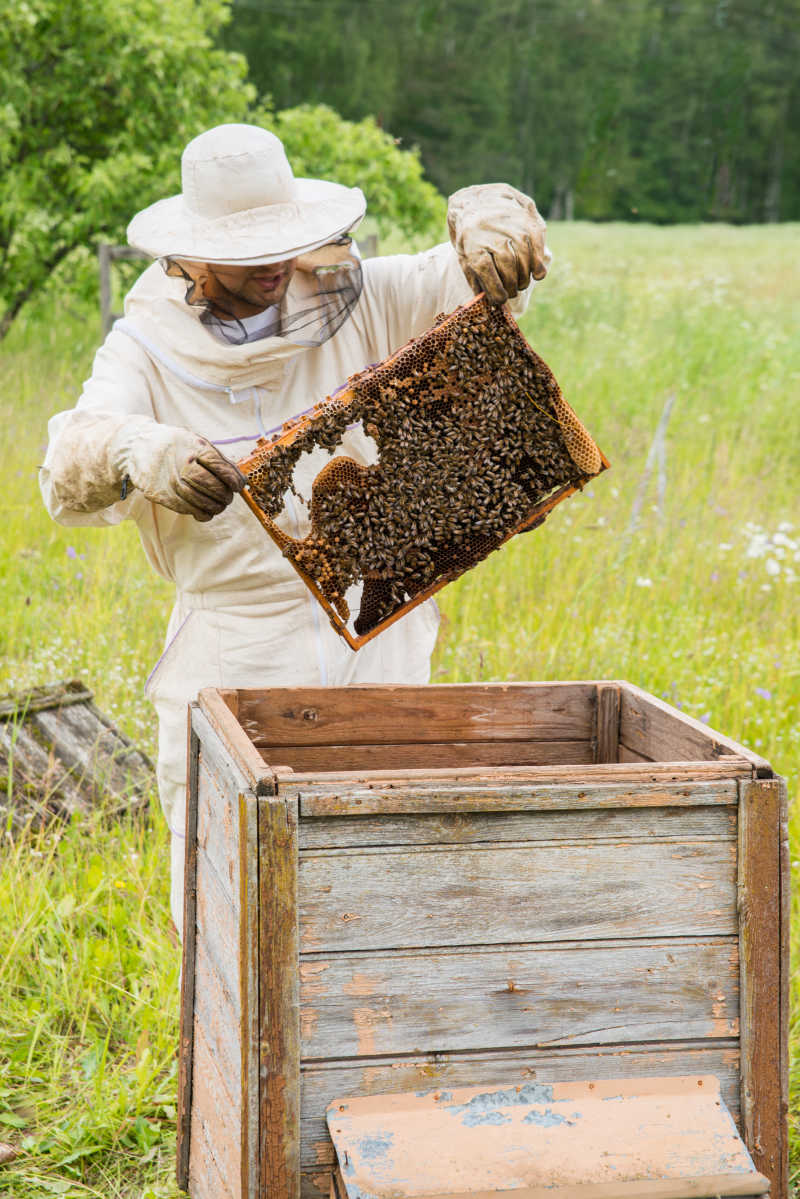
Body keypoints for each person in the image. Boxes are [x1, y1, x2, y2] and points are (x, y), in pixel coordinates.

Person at [40, 124, 551, 933]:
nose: (275, 264)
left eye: (282, 241)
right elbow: (67, 461)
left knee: (379, 897)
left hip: (377, 632)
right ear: (191, 255)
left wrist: (494, 218)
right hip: (236, 648)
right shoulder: (145, 345)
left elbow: (469, 283)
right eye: (247, 253)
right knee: (231, 914)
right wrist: (140, 448)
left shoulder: (359, 297)